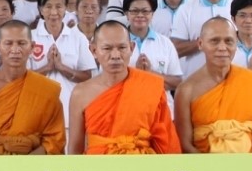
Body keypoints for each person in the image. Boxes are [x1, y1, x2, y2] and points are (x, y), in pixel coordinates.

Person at [67, 22, 178, 155]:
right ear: (94, 50)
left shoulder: (150, 86)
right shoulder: (81, 93)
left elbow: (166, 141)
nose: (115, 55)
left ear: (131, 48)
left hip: (143, 170)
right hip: (97, 170)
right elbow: (75, 149)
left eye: (122, 47)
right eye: (107, 48)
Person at [176, 17, 252, 153]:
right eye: (214, 41)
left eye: (229, 41)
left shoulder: (251, 82)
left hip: (250, 169)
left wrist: (251, 168)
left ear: (236, 44)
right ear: (200, 44)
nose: (222, 48)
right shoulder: (186, 90)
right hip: (205, 169)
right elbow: (185, 145)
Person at [0, 20, 65, 155]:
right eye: (8, 43)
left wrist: (24, 166)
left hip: (34, 166)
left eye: (21, 43)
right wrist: (1, 169)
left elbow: (54, 138)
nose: (15, 49)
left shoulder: (45, 89)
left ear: (32, 47)